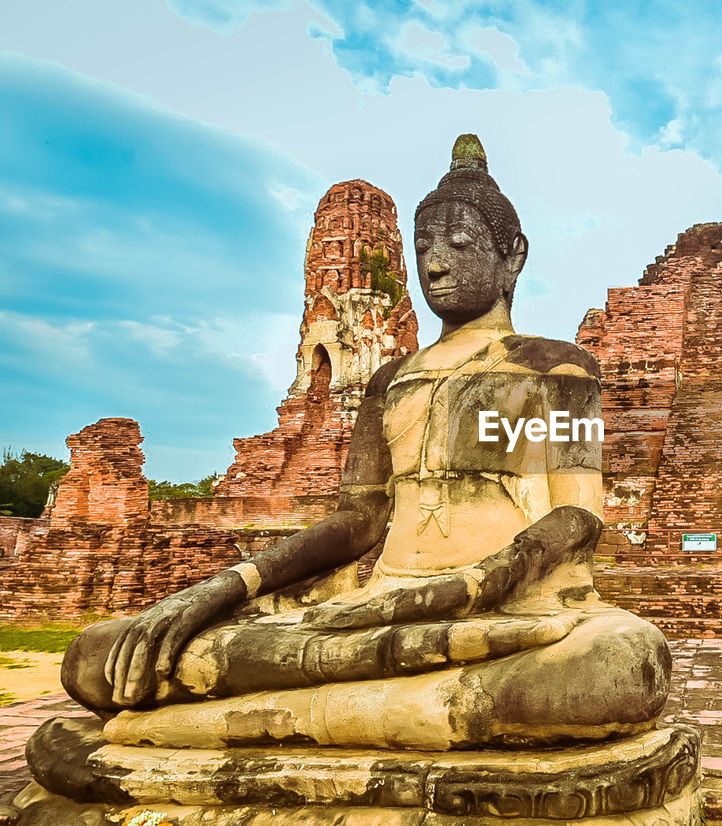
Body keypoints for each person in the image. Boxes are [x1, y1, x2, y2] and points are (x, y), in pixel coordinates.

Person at [60, 134, 671, 751]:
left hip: (511, 611)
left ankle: (259, 723)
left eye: (459, 244)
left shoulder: (557, 369)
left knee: (616, 669)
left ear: (512, 257)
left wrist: (474, 585)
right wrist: (227, 585)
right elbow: (359, 520)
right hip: (378, 608)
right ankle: (390, 715)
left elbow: (578, 514)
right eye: (424, 245)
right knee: (100, 657)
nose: (436, 263)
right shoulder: (390, 380)